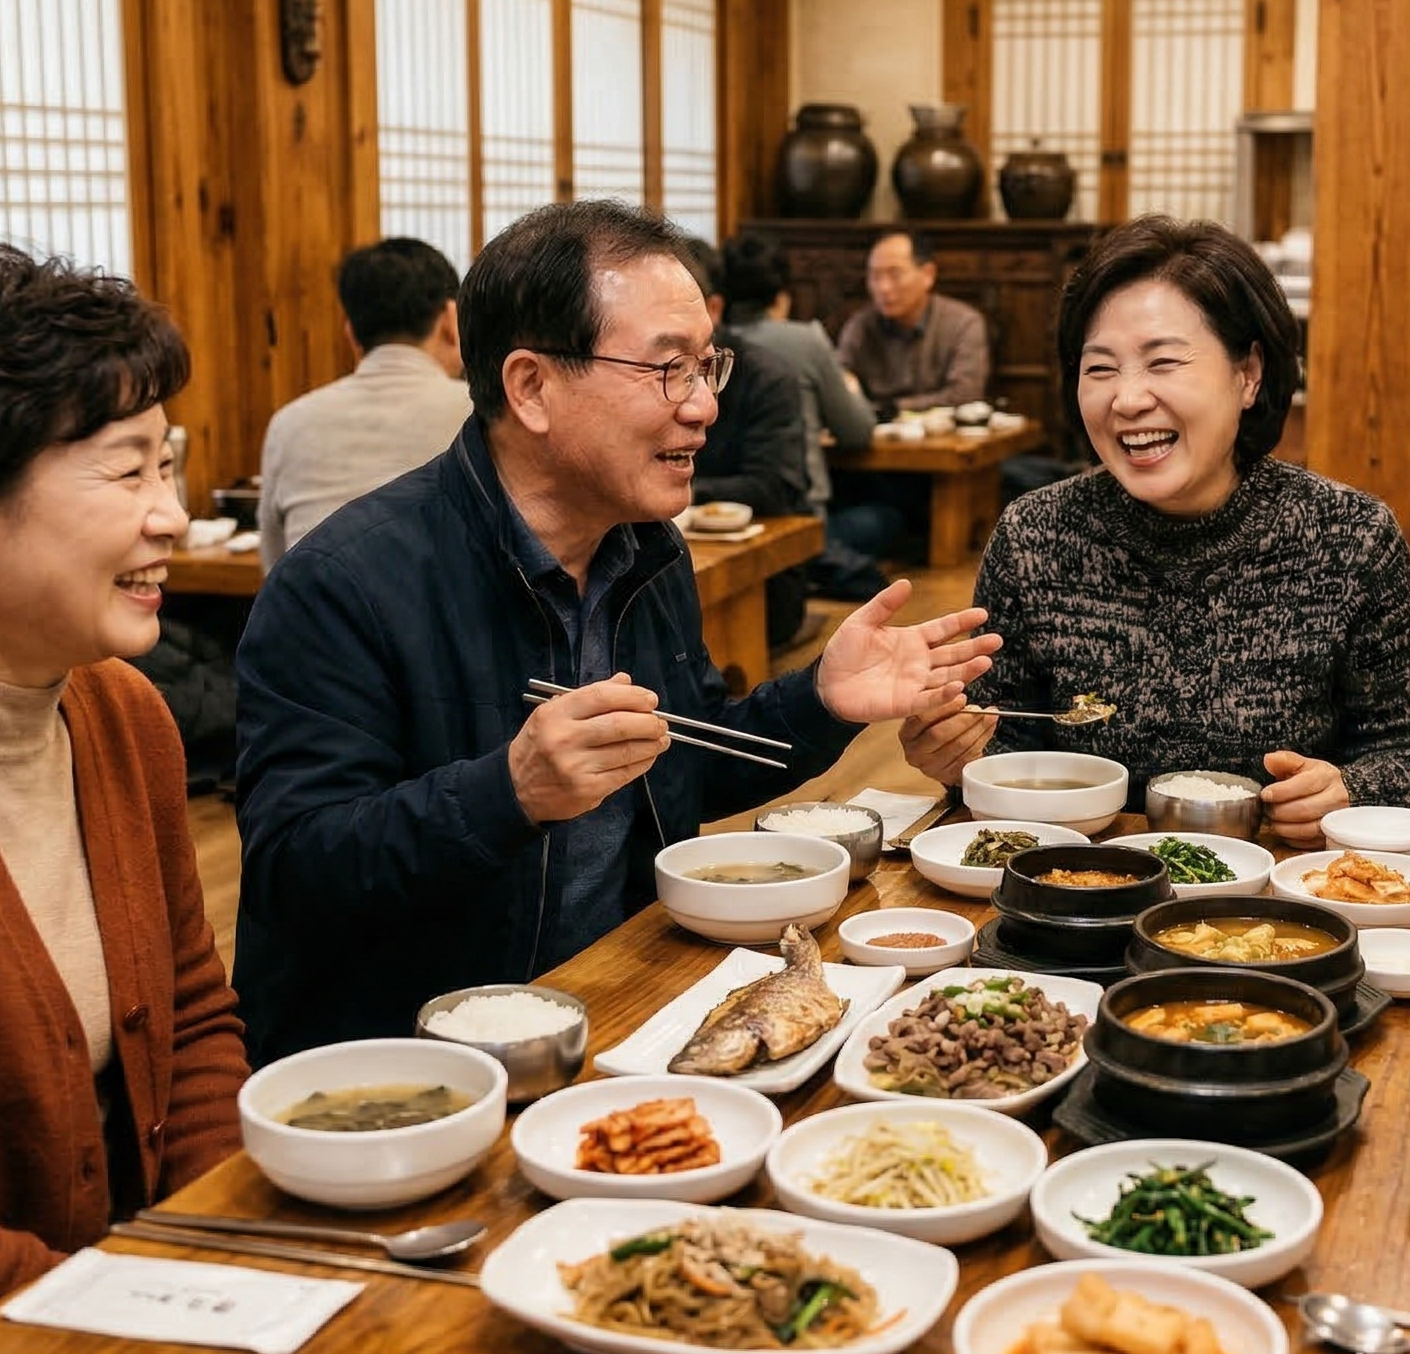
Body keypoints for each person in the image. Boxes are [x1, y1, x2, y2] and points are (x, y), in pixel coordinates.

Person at [231, 201, 1000, 1064]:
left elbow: (677, 764)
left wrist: (823, 698)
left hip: (628, 1000)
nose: (704, 406)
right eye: (668, 369)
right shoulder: (346, 583)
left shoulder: (642, 549)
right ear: (531, 387)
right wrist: (508, 791)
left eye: (708, 366)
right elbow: (295, 871)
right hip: (423, 1067)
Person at [898, 216, 1410, 845]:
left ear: (1248, 374)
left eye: (1162, 362)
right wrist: (958, 761)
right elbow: (1004, 743)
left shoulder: (1347, 537)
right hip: (1080, 897)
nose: (1128, 399)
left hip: (1269, 913)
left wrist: (1350, 791)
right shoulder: (1036, 536)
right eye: (1100, 368)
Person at [0, 247, 248, 1293]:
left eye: (168, 464)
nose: (172, 515)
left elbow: (191, 1015)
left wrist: (224, 1234)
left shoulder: (121, 712)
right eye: (128, 466)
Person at [257, 237, 473, 565]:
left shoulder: (288, 423)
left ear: (352, 335)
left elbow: (273, 566)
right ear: (451, 320)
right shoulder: (481, 413)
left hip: (313, 613)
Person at [715, 230, 886, 602]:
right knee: (891, 518)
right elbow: (857, 431)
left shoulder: (709, 347)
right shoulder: (804, 340)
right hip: (798, 519)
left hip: (722, 510)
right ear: (781, 294)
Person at [682, 238, 816, 649]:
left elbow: (775, 485)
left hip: (765, 579)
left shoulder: (766, 377)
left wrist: (682, 492)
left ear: (715, 308)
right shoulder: (638, 375)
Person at [833, 230, 989, 414]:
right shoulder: (861, 326)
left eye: (895, 274)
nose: (883, 287)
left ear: (928, 275)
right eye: (875, 276)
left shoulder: (963, 324)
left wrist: (893, 408)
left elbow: (964, 395)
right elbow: (837, 384)